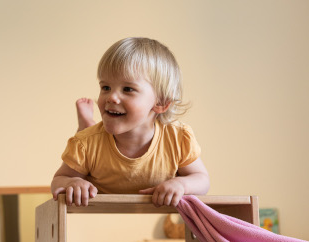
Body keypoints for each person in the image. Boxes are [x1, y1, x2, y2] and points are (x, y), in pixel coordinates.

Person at [51, 37, 210, 208]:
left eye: (127, 89)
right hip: (96, 149)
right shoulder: (85, 144)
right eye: (105, 87)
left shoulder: (177, 138)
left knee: (92, 135)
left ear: (160, 103)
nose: (111, 97)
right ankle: (87, 124)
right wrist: (72, 182)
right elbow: (58, 180)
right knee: (91, 135)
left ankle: (87, 123)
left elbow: (202, 180)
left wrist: (181, 184)